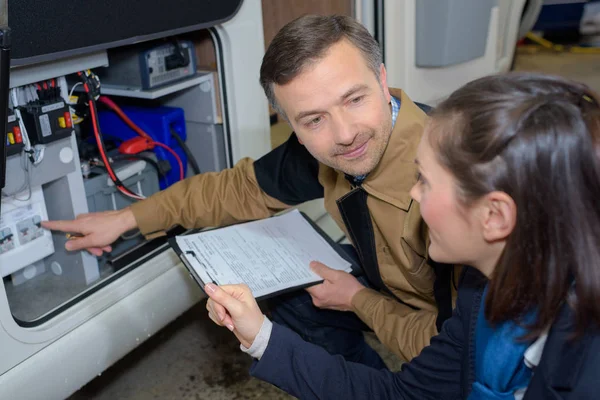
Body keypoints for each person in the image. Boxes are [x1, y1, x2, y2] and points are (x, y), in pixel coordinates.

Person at [42, 15, 457, 367]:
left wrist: (359, 300)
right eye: (313, 120)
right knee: (290, 292)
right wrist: (127, 218)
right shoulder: (331, 148)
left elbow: (460, 351)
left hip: (448, 326)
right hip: (392, 283)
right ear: (290, 122)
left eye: (354, 99)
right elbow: (238, 190)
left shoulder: (456, 187)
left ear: (382, 80)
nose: (344, 135)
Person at [204, 72, 600, 399]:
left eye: (426, 181)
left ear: (494, 215)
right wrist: (259, 335)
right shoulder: (483, 290)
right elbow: (403, 395)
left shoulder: (585, 370)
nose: (413, 193)